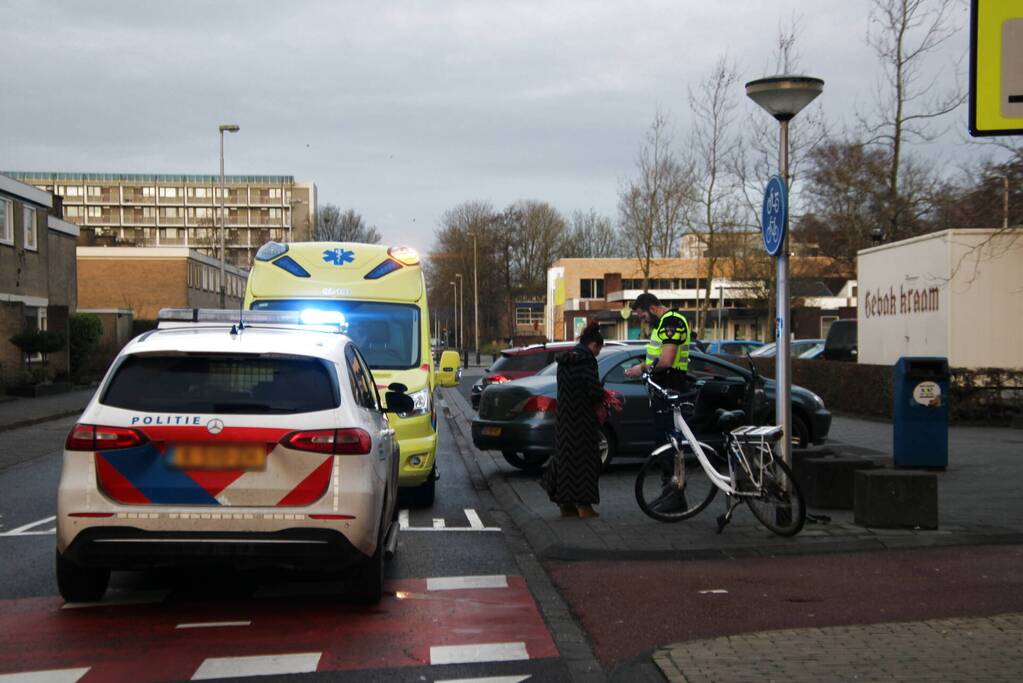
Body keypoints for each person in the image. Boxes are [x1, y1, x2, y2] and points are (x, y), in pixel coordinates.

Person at [539, 320, 605, 518]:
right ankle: (584, 506)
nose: (597, 354)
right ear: (594, 346)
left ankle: (565, 504)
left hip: (565, 419)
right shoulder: (587, 361)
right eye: (598, 350)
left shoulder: (565, 361)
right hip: (583, 419)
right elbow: (592, 391)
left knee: (566, 460)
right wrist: (604, 394)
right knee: (587, 461)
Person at [624, 292, 692, 445]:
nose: (643, 321)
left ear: (653, 309)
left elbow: (667, 361)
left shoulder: (671, 322)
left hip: (671, 383)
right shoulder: (663, 323)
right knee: (663, 436)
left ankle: (671, 468)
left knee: (667, 438)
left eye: (643, 316)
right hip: (664, 385)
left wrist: (641, 368)